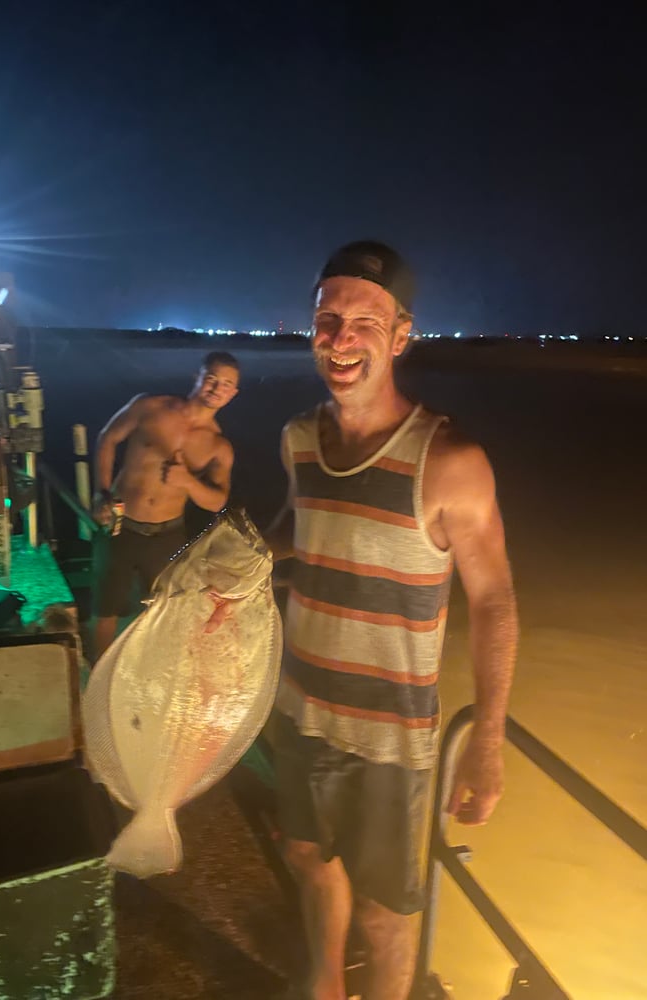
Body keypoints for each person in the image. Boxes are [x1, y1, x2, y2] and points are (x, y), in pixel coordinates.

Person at [264, 241, 519, 1000]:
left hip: (389, 738)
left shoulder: (450, 461)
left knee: (386, 912)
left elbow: (497, 603)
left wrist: (488, 746)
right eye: (327, 319)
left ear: (402, 336)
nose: (340, 340)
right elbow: (298, 528)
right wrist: (228, 568)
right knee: (307, 860)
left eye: (364, 324)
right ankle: (324, 985)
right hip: (300, 708)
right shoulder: (299, 439)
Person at [89, 351, 240, 661]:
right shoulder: (150, 407)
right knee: (105, 610)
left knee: (164, 611)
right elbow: (108, 438)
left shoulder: (219, 446)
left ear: (233, 394)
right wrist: (101, 492)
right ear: (196, 377)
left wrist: (187, 481)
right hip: (120, 524)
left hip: (167, 535)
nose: (216, 388)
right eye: (211, 379)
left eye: (226, 385)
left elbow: (218, 501)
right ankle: (96, 681)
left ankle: (149, 677)